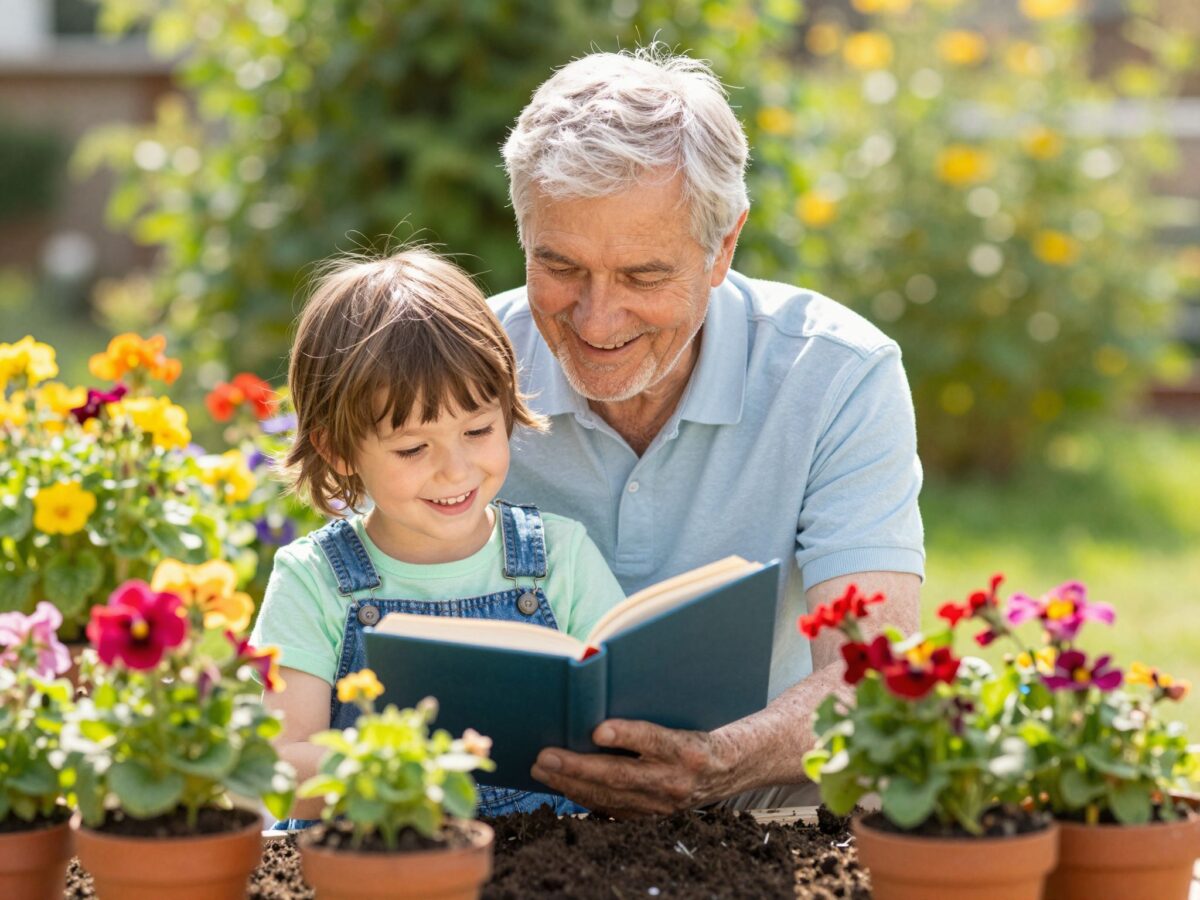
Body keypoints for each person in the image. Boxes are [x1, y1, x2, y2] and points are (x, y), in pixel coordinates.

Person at [490, 47, 925, 816]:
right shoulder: (465, 364)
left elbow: (874, 671)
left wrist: (721, 761)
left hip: (760, 807)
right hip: (505, 814)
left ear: (723, 247)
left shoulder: (836, 375)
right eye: (560, 267)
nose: (596, 319)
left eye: (643, 277)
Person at [250, 248, 627, 825]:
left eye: (478, 430)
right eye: (412, 448)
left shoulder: (558, 557)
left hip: (546, 859)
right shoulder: (315, 579)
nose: (455, 470)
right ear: (337, 450)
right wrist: (406, 773)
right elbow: (281, 763)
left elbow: (626, 716)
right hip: (376, 862)